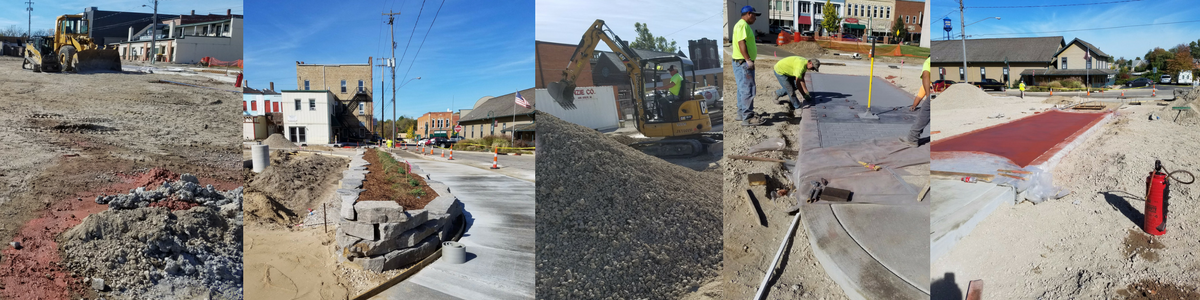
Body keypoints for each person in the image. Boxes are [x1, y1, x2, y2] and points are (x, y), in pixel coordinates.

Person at [733, 5, 764, 126]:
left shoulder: (740, 25)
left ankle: (741, 113)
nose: (755, 18)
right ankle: (748, 117)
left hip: (739, 62)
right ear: (749, 14)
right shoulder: (742, 25)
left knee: (742, 88)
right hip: (743, 62)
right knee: (748, 89)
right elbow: (741, 43)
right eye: (755, 15)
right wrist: (748, 60)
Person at [901, 57, 932, 146]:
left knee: (924, 114)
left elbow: (925, 74)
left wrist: (928, 96)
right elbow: (918, 97)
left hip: (935, 94)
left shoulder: (929, 61)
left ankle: (912, 139)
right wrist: (914, 106)